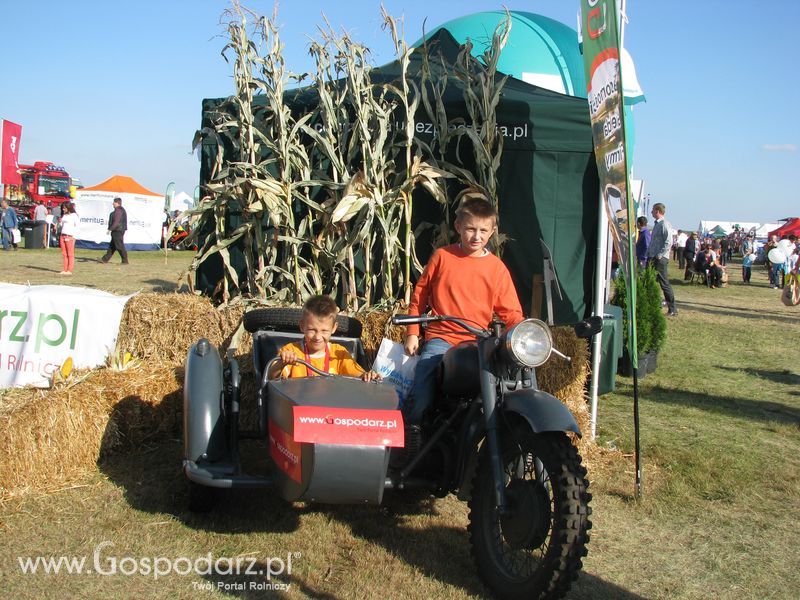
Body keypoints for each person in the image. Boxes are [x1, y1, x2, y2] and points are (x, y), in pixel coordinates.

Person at [402, 196, 524, 433]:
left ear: (492, 232)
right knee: (423, 384)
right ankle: (412, 433)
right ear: (458, 227)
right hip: (442, 338)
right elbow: (420, 296)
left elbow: (511, 313)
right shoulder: (442, 257)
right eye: (470, 229)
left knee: (503, 386)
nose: (476, 236)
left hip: (477, 342)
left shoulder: (496, 268)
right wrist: (413, 333)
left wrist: (519, 337)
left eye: (483, 230)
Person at [267, 294, 380, 381]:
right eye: (312, 330)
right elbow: (271, 378)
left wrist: (368, 375)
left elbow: (358, 375)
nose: (317, 337)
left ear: (334, 328)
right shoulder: (291, 351)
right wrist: (282, 363)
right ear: (302, 326)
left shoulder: (339, 354)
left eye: (324, 331)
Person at [646, 202, 677, 316]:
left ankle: (672, 309)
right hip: (652, 257)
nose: (651, 212)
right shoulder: (657, 224)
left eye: (653, 210)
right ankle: (655, 304)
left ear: (658, 211)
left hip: (659, 259)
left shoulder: (664, 224)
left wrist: (660, 255)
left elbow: (669, 242)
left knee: (664, 283)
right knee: (650, 281)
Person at [101, 197, 129, 264]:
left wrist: (110, 229)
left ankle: (125, 261)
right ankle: (104, 259)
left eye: (114, 202)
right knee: (112, 246)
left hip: (118, 230)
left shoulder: (118, 211)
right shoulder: (120, 210)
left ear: (117, 203)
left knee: (119, 246)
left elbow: (116, 221)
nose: (112, 204)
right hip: (118, 230)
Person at [58, 202, 79, 275]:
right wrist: (60, 222)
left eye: (64, 208)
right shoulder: (64, 215)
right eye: (62, 208)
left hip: (70, 236)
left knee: (70, 254)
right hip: (62, 235)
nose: (63, 209)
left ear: (68, 207)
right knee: (64, 254)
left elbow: (77, 226)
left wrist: (74, 237)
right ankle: (65, 269)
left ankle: (69, 270)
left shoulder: (74, 216)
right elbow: (62, 225)